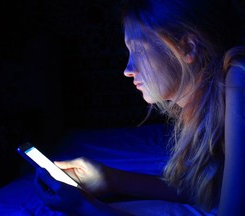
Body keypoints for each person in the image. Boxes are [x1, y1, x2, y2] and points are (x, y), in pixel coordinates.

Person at [34, 0, 245, 215]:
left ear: (188, 47)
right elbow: (205, 191)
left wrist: (86, 207)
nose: (128, 69)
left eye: (139, 50)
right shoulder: (207, 103)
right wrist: (110, 179)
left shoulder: (239, 78)